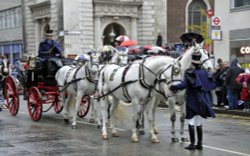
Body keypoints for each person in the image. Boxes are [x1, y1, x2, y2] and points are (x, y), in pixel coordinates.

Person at [169, 52, 216, 151]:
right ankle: (199, 144)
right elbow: (210, 85)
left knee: (191, 121)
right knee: (198, 122)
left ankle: (192, 144)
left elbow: (183, 85)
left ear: (192, 62)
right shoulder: (204, 73)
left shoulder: (190, 72)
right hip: (202, 100)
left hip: (192, 100)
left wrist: (172, 86)